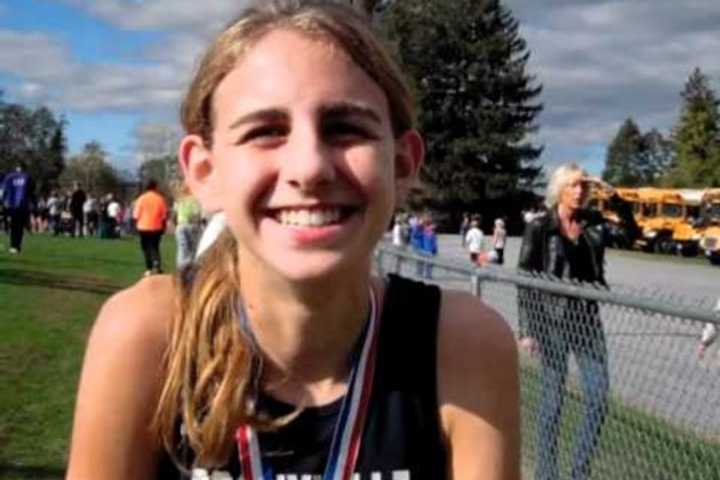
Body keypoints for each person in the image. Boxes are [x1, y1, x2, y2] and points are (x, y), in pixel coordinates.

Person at [66, 3, 519, 479]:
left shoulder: (461, 343)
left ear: (402, 164)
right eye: (266, 131)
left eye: (346, 129)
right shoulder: (150, 334)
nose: (309, 168)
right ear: (205, 170)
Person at [517, 163, 640, 480]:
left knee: (598, 398)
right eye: (573, 185)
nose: (580, 191)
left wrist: (614, 197)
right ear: (559, 188)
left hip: (587, 321)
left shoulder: (594, 222)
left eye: (584, 186)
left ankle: (579, 472)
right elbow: (525, 278)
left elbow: (631, 234)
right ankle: (546, 473)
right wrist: (527, 330)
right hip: (551, 322)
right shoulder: (540, 226)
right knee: (553, 400)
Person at [133, 180, 168, 275]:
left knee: (146, 248)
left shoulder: (141, 199)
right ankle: (156, 265)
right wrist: (164, 226)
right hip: (157, 227)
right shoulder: (160, 199)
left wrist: (135, 225)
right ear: (155, 187)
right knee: (155, 247)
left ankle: (148, 267)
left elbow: (136, 215)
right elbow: (164, 215)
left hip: (143, 227)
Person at [1, 162, 35, 253]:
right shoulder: (28, 177)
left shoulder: (9, 177)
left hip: (11, 205)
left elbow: (2, 191)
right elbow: (31, 192)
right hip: (23, 205)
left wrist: (2, 202)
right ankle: (17, 246)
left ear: (16, 167)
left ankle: (13, 246)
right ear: (24, 167)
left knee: (13, 225)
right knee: (20, 226)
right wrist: (33, 203)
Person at [172, 180, 203, 270]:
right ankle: (193, 265)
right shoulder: (195, 200)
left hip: (181, 225)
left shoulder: (179, 200)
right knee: (193, 247)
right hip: (192, 225)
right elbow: (197, 214)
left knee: (182, 247)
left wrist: (176, 224)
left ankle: (182, 267)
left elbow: (174, 214)